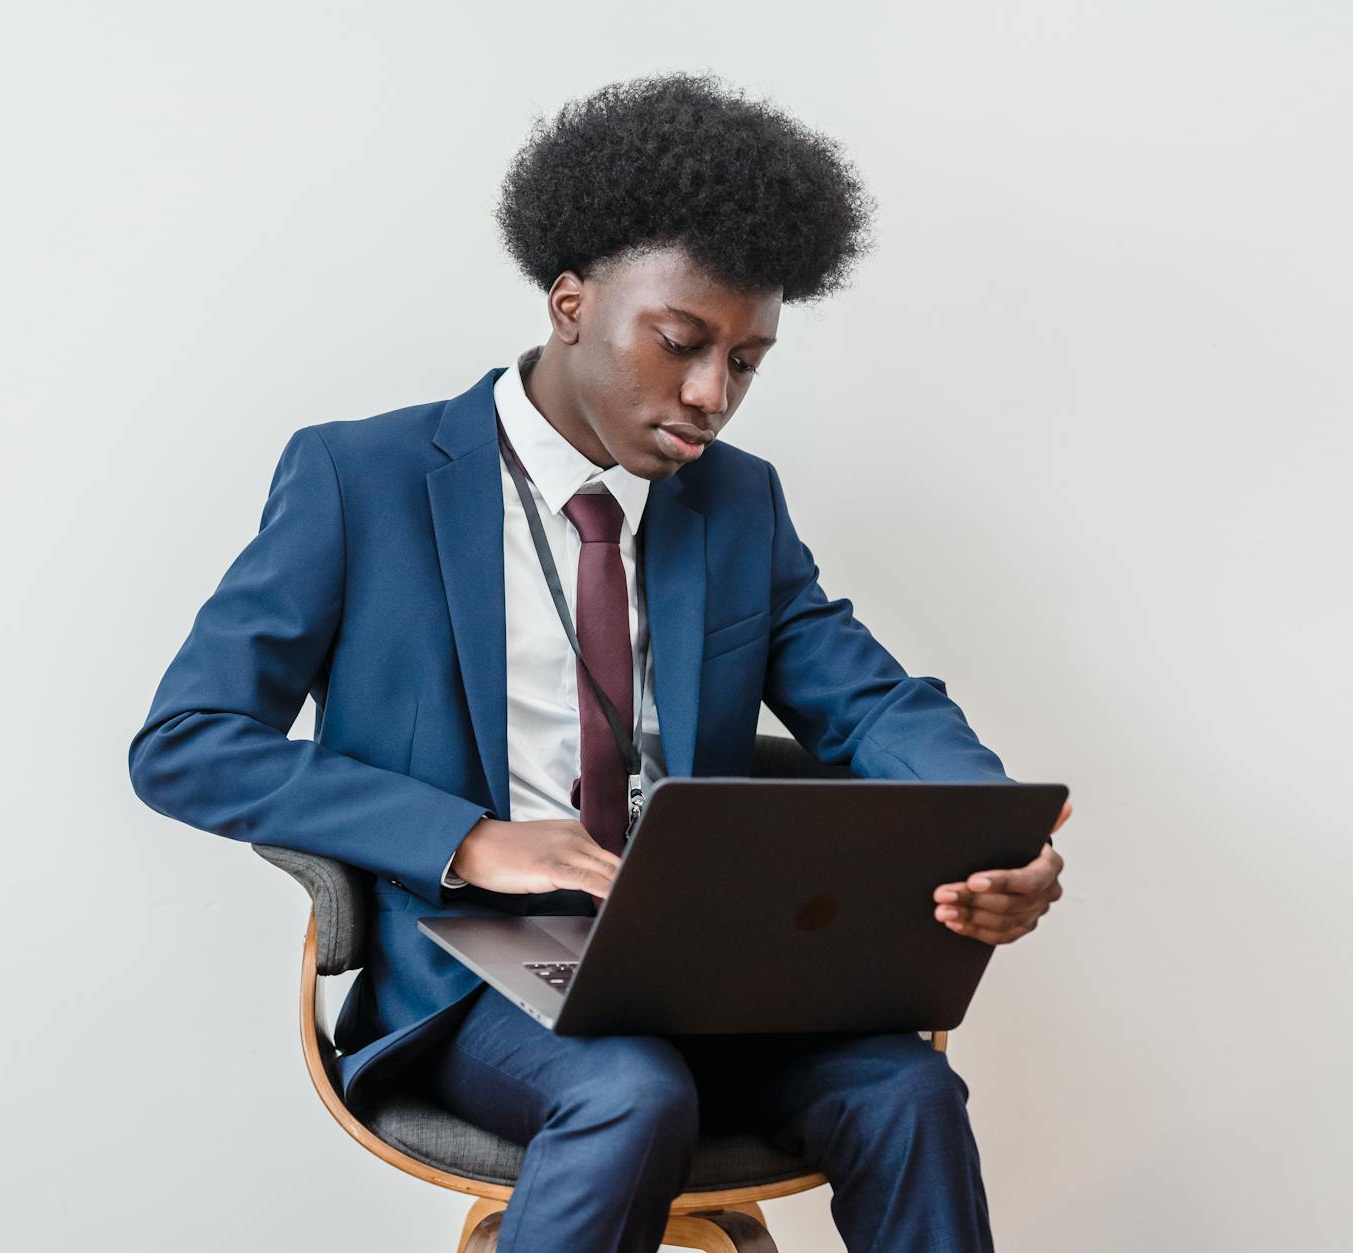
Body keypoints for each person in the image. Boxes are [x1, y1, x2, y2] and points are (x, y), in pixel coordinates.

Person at [129, 70, 1070, 1253]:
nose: (709, 394)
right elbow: (187, 742)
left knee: (906, 1090)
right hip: (471, 969)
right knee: (628, 1088)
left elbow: (867, 695)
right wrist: (467, 839)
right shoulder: (355, 479)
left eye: (745, 361)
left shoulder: (737, 505)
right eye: (680, 343)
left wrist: (987, 833)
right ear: (570, 301)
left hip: (712, 962)